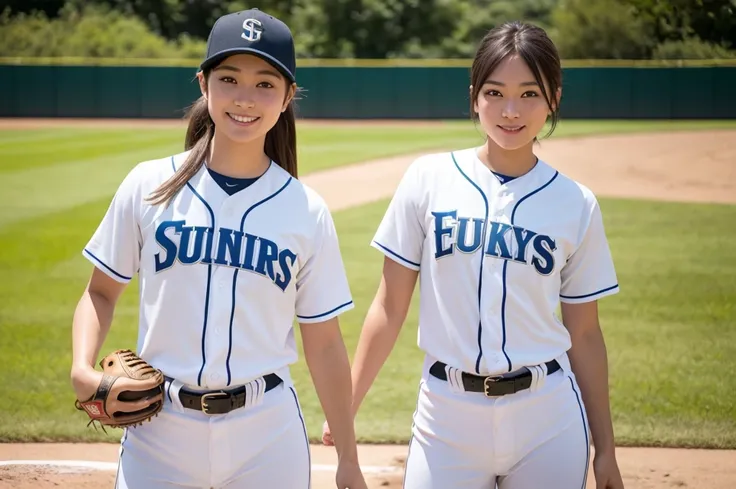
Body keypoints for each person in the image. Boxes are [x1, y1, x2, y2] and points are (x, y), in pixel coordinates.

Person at [70, 8, 367, 489]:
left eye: (265, 84)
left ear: (289, 95)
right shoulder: (150, 185)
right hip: (157, 428)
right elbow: (101, 292)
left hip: (266, 433)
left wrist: (349, 460)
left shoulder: (305, 209)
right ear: (203, 82)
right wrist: (81, 366)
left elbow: (325, 341)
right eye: (229, 78)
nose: (245, 98)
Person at [322, 21, 625, 489]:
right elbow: (389, 305)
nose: (510, 110)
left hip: (547, 416)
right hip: (446, 415)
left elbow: (584, 333)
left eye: (529, 93)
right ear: (473, 96)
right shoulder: (428, 179)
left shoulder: (575, 202)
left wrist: (605, 448)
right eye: (494, 92)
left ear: (554, 99)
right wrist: (347, 406)